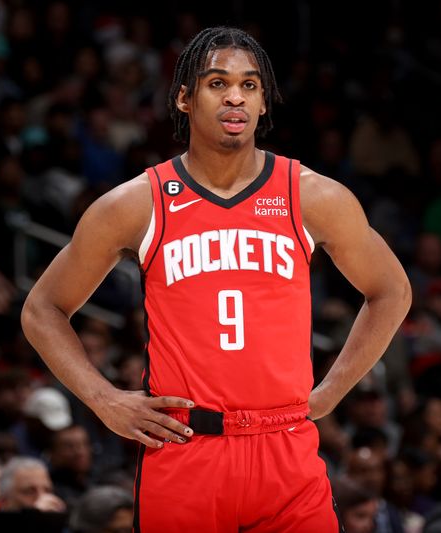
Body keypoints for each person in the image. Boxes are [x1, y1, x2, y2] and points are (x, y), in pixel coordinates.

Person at [21, 26, 411, 531]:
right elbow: (42, 308)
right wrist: (105, 400)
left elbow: (391, 290)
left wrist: (333, 390)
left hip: (285, 449)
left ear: (264, 102)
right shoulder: (137, 203)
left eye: (250, 85)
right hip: (185, 450)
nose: (235, 97)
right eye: (217, 83)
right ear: (184, 98)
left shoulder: (312, 196)